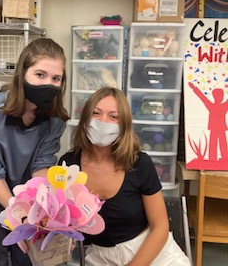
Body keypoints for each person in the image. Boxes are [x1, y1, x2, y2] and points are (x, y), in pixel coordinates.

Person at [0, 38, 69, 266]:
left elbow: (41, 167)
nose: (48, 84)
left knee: (27, 254)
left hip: (27, 186)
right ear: (23, 74)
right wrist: (19, 215)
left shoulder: (55, 120)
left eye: (56, 78)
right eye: (40, 75)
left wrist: (36, 215)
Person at [59, 87, 190, 266]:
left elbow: (160, 228)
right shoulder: (68, 165)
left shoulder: (139, 163)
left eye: (113, 117)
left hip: (153, 252)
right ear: (85, 118)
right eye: (96, 113)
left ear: (124, 124)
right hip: (99, 257)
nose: (103, 122)